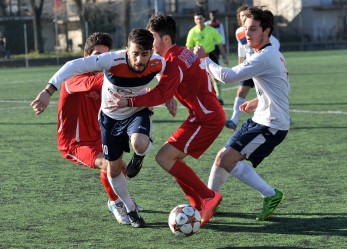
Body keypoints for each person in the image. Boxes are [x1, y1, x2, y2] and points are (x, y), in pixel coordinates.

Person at [31, 29, 171, 228]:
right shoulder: (75, 79)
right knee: (107, 165)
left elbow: (157, 68)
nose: (102, 59)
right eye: (98, 56)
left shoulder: (115, 68)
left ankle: (121, 200)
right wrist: (139, 87)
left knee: (120, 167)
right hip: (75, 143)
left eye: (105, 54)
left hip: (99, 134)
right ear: (87, 57)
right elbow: (95, 82)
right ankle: (116, 203)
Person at [109, 13, 226, 227]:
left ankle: (208, 197)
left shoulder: (173, 61)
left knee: (165, 158)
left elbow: (160, 93)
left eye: (151, 37)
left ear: (165, 39)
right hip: (202, 115)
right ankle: (199, 202)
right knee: (168, 158)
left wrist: (130, 101)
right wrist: (169, 93)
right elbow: (172, 83)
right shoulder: (180, 54)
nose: (148, 42)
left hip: (207, 118)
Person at [195, 6, 290, 221]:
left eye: (254, 29)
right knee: (221, 158)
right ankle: (211, 201)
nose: (247, 33)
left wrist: (205, 59)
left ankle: (271, 195)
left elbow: (227, 76)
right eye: (246, 28)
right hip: (261, 118)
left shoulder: (265, 56)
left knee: (227, 159)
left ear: (267, 31)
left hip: (271, 124)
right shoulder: (269, 54)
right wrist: (258, 101)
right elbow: (284, 86)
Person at [226, 5, 280, 130]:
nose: (244, 17)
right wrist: (240, 64)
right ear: (239, 19)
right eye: (242, 16)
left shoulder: (269, 38)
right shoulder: (239, 32)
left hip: (262, 68)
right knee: (241, 91)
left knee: (267, 93)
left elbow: (273, 52)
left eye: (246, 15)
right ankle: (234, 120)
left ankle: (278, 115)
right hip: (249, 66)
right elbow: (242, 49)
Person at [186, 12, 229, 106]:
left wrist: (224, 57)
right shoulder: (192, 32)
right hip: (197, 58)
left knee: (216, 77)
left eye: (200, 18)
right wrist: (188, 61)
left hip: (211, 55)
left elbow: (220, 44)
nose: (199, 21)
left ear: (204, 19)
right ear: (194, 20)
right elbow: (189, 48)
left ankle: (219, 97)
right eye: (197, 19)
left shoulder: (211, 30)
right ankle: (203, 99)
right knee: (201, 79)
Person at [204, 10, 227, 105]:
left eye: (214, 15)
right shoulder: (206, 24)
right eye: (211, 14)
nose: (212, 16)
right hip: (205, 50)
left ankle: (219, 97)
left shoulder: (219, 24)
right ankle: (209, 97)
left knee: (216, 74)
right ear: (209, 15)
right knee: (205, 76)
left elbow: (222, 39)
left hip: (216, 50)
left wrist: (223, 54)